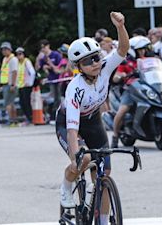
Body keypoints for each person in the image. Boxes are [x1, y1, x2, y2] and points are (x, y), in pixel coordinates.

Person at [55, 13, 129, 225]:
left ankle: (103, 221)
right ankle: (66, 185)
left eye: (97, 57)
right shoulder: (75, 89)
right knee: (84, 160)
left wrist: (121, 26)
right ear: (79, 66)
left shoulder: (105, 69)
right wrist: (75, 156)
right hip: (70, 124)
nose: (96, 63)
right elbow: (71, 130)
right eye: (89, 61)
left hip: (93, 123)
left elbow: (123, 49)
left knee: (104, 174)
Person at [111, 36, 148, 148]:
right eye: (140, 49)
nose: (143, 51)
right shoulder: (125, 62)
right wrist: (119, 76)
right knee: (123, 110)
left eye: (144, 49)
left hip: (146, 89)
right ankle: (115, 136)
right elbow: (116, 77)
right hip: (130, 90)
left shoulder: (146, 61)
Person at [36, 39, 62, 122]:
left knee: (58, 98)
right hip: (51, 79)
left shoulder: (55, 55)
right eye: (41, 48)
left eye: (44, 47)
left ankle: (58, 115)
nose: (43, 49)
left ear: (48, 46)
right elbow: (37, 68)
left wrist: (49, 65)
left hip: (59, 79)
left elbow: (60, 67)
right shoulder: (43, 58)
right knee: (53, 98)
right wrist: (38, 59)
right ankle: (53, 116)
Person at [0, 42, 19, 126]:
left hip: (10, 84)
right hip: (5, 83)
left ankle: (11, 120)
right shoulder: (5, 59)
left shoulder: (13, 59)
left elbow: (14, 72)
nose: (3, 51)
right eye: (2, 49)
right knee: (11, 103)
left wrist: (13, 84)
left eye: (5, 49)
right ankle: (14, 120)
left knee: (8, 103)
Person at [16, 47, 36, 125]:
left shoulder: (26, 62)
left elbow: (32, 72)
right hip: (20, 85)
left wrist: (30, 82)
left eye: (20, 54)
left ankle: (30, 117)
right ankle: (27, 117)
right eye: (17, 54)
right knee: (22, 102)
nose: (19, 56)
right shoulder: (18, 63)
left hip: (27, 85)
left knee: (26, 102)